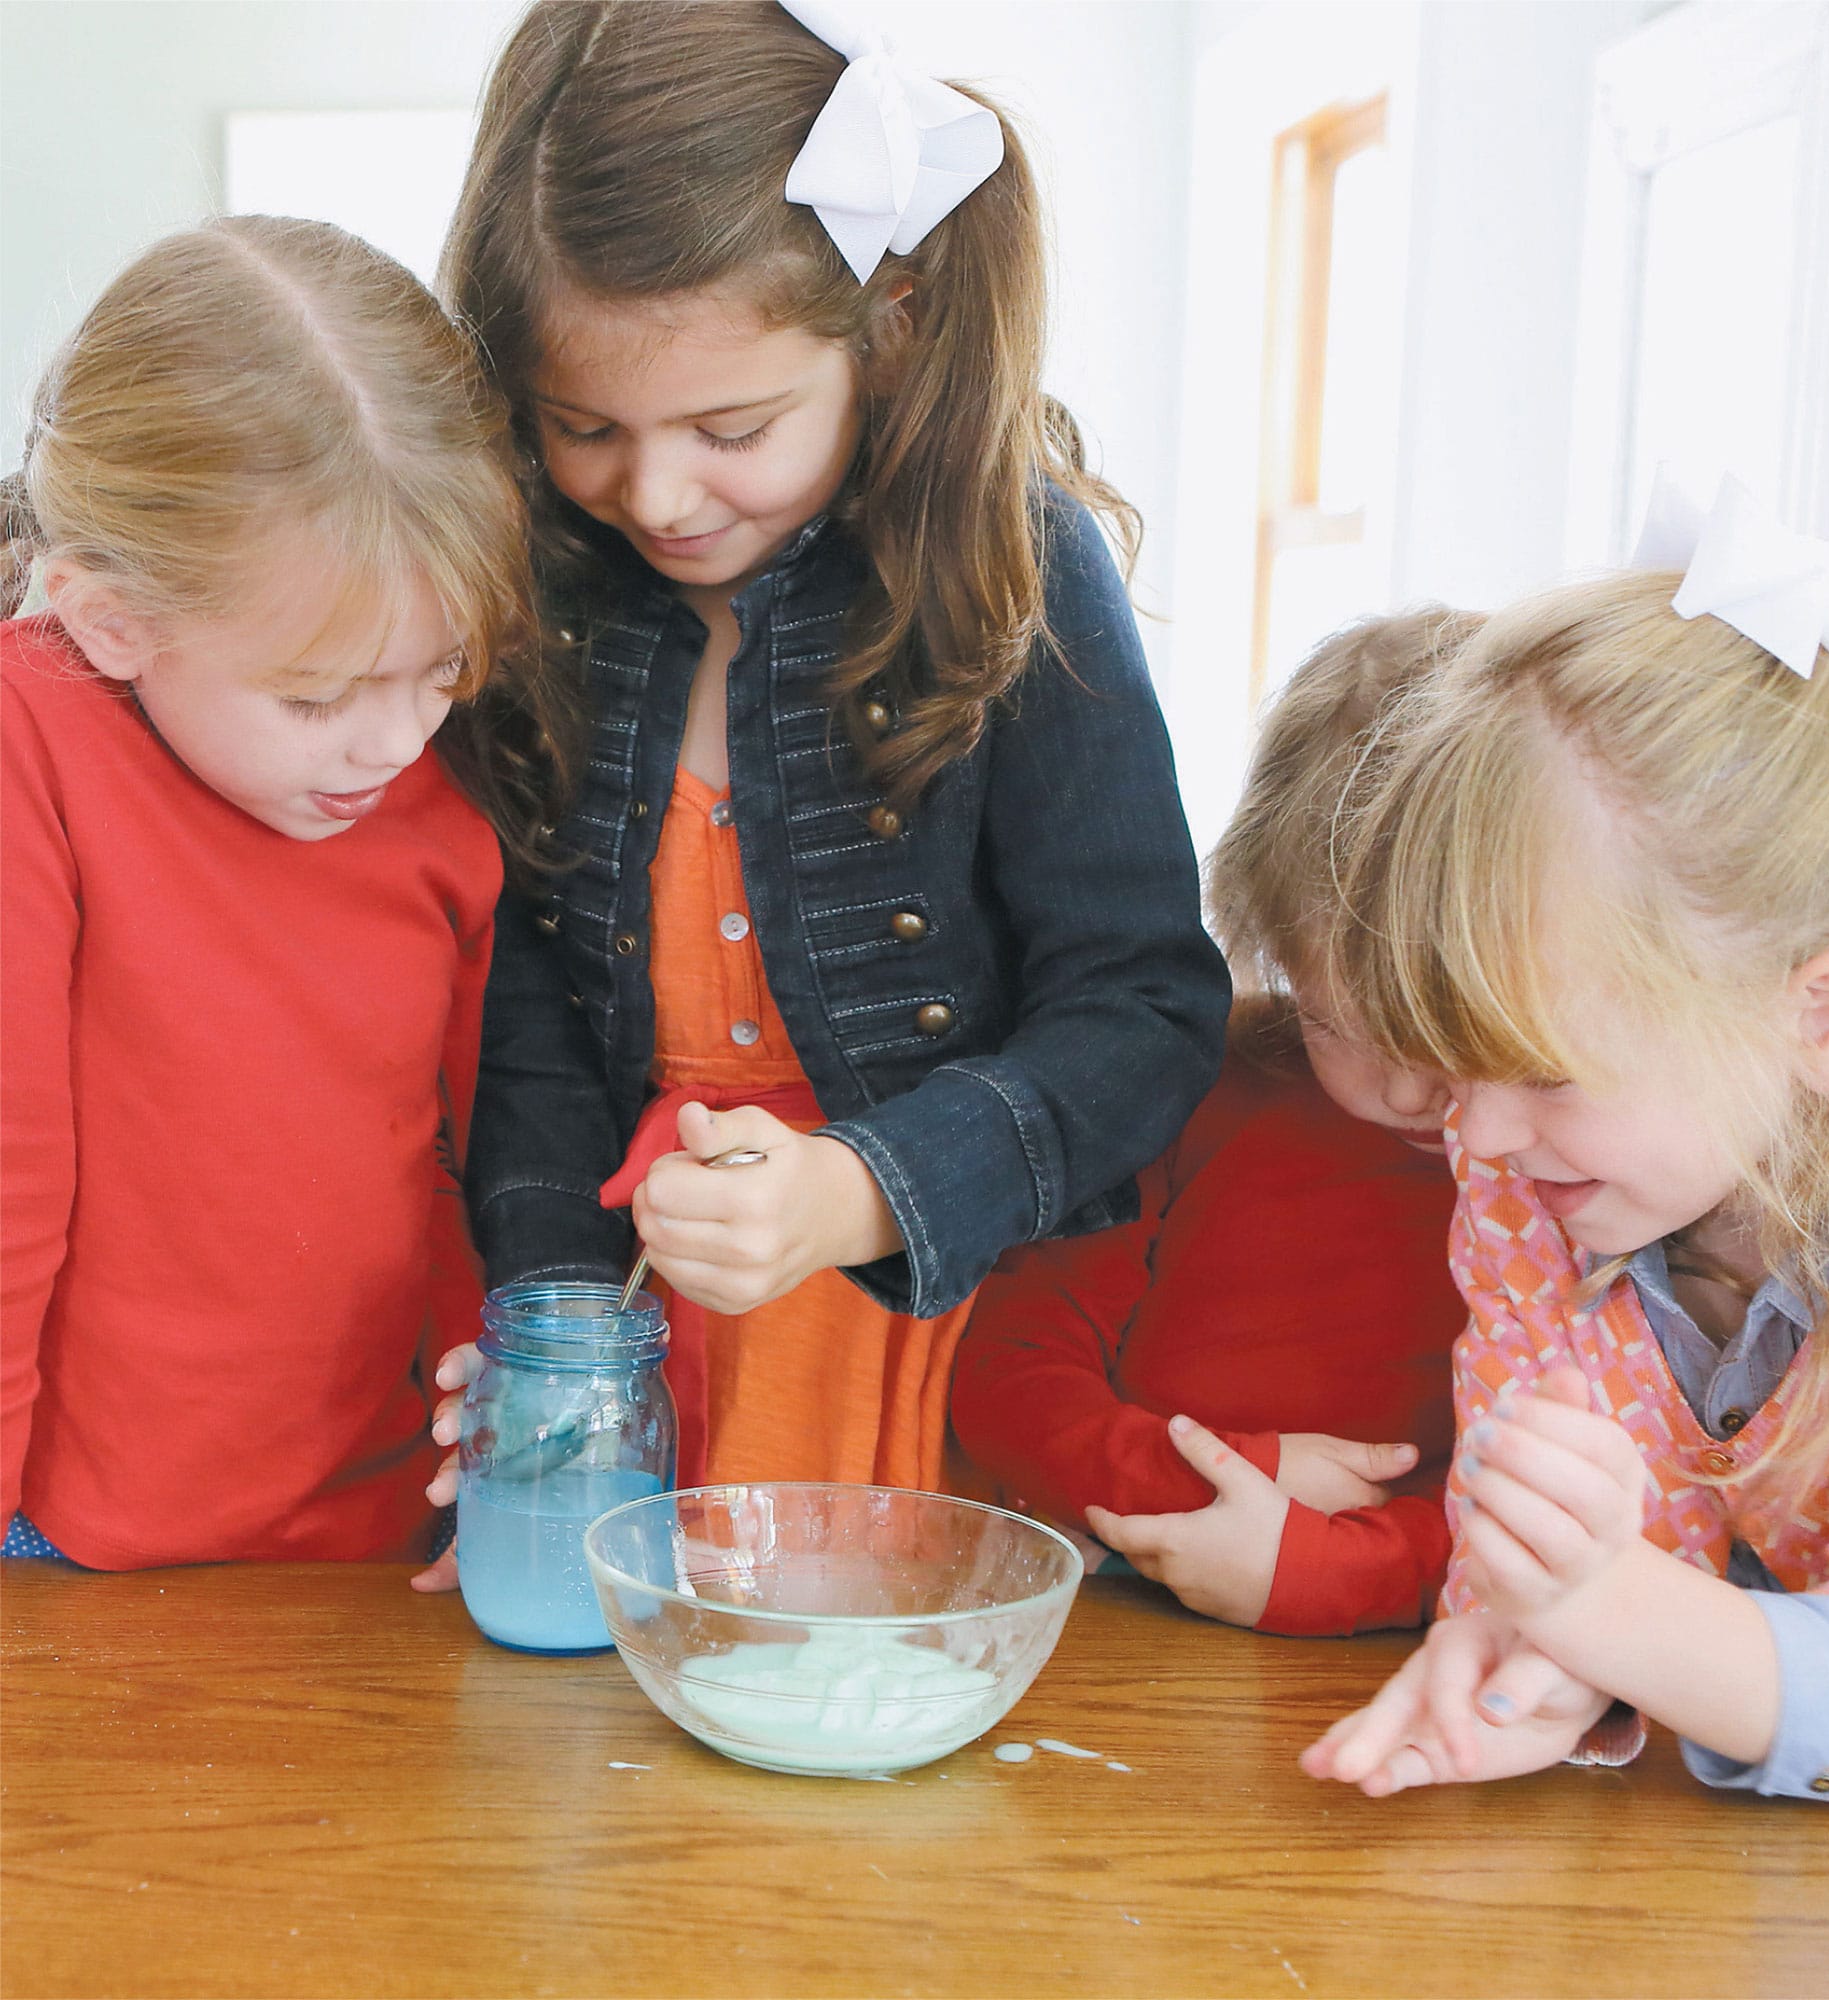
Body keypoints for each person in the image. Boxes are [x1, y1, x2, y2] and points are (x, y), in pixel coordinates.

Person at [424, 0, 1230, 1505]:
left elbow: (1145, 1010)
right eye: (582, 426)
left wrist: (863, 1191)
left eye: (732, 427)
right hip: (642, 1336)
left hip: (942, 1331)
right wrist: (547, 1316)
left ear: (893, 323)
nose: (656, 494)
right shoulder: (544, 592)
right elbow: (525, 1018)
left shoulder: (1019, 565)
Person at [1301, 493, 1829, 1805]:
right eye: (1463, 1063)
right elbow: (1559, 1537)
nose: (1480, 1131)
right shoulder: (1539, 1175)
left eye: (1547, 1074)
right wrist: (1532, 1666)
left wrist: (1602, 1609)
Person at [0, 217, 571, 1568]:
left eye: (440, 674)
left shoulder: (424, 794)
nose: (391, 744)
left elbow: (452, 1163)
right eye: (316, 697)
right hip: (65, 1549)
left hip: (365, 1543)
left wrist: (486, 1465)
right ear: (107, 618)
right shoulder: (34, 742)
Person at [950, 612, 1478, 1634]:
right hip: (1104, 1611)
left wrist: (1328, 1565)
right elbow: (1010, 1374)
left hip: (1395, 1650)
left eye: (1449, 1030)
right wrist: (1219, 1481)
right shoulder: (1198, 1080)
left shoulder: (1562, 1163)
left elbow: (1573, 1507)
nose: (1410, 1092)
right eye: (1340, 1024)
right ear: (1277, 942)